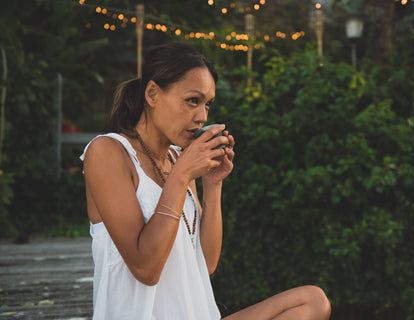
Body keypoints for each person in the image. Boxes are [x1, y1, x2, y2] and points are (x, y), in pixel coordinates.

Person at [80, 42, 331, 320]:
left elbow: (206, 262)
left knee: (313, 302)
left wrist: (213, 185)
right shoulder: (108, 152)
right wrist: (182, 175)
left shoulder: (177, 160)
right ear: (152, 94)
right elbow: (146, 269)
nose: (202, 117)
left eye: (207, 105)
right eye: (192, 101)